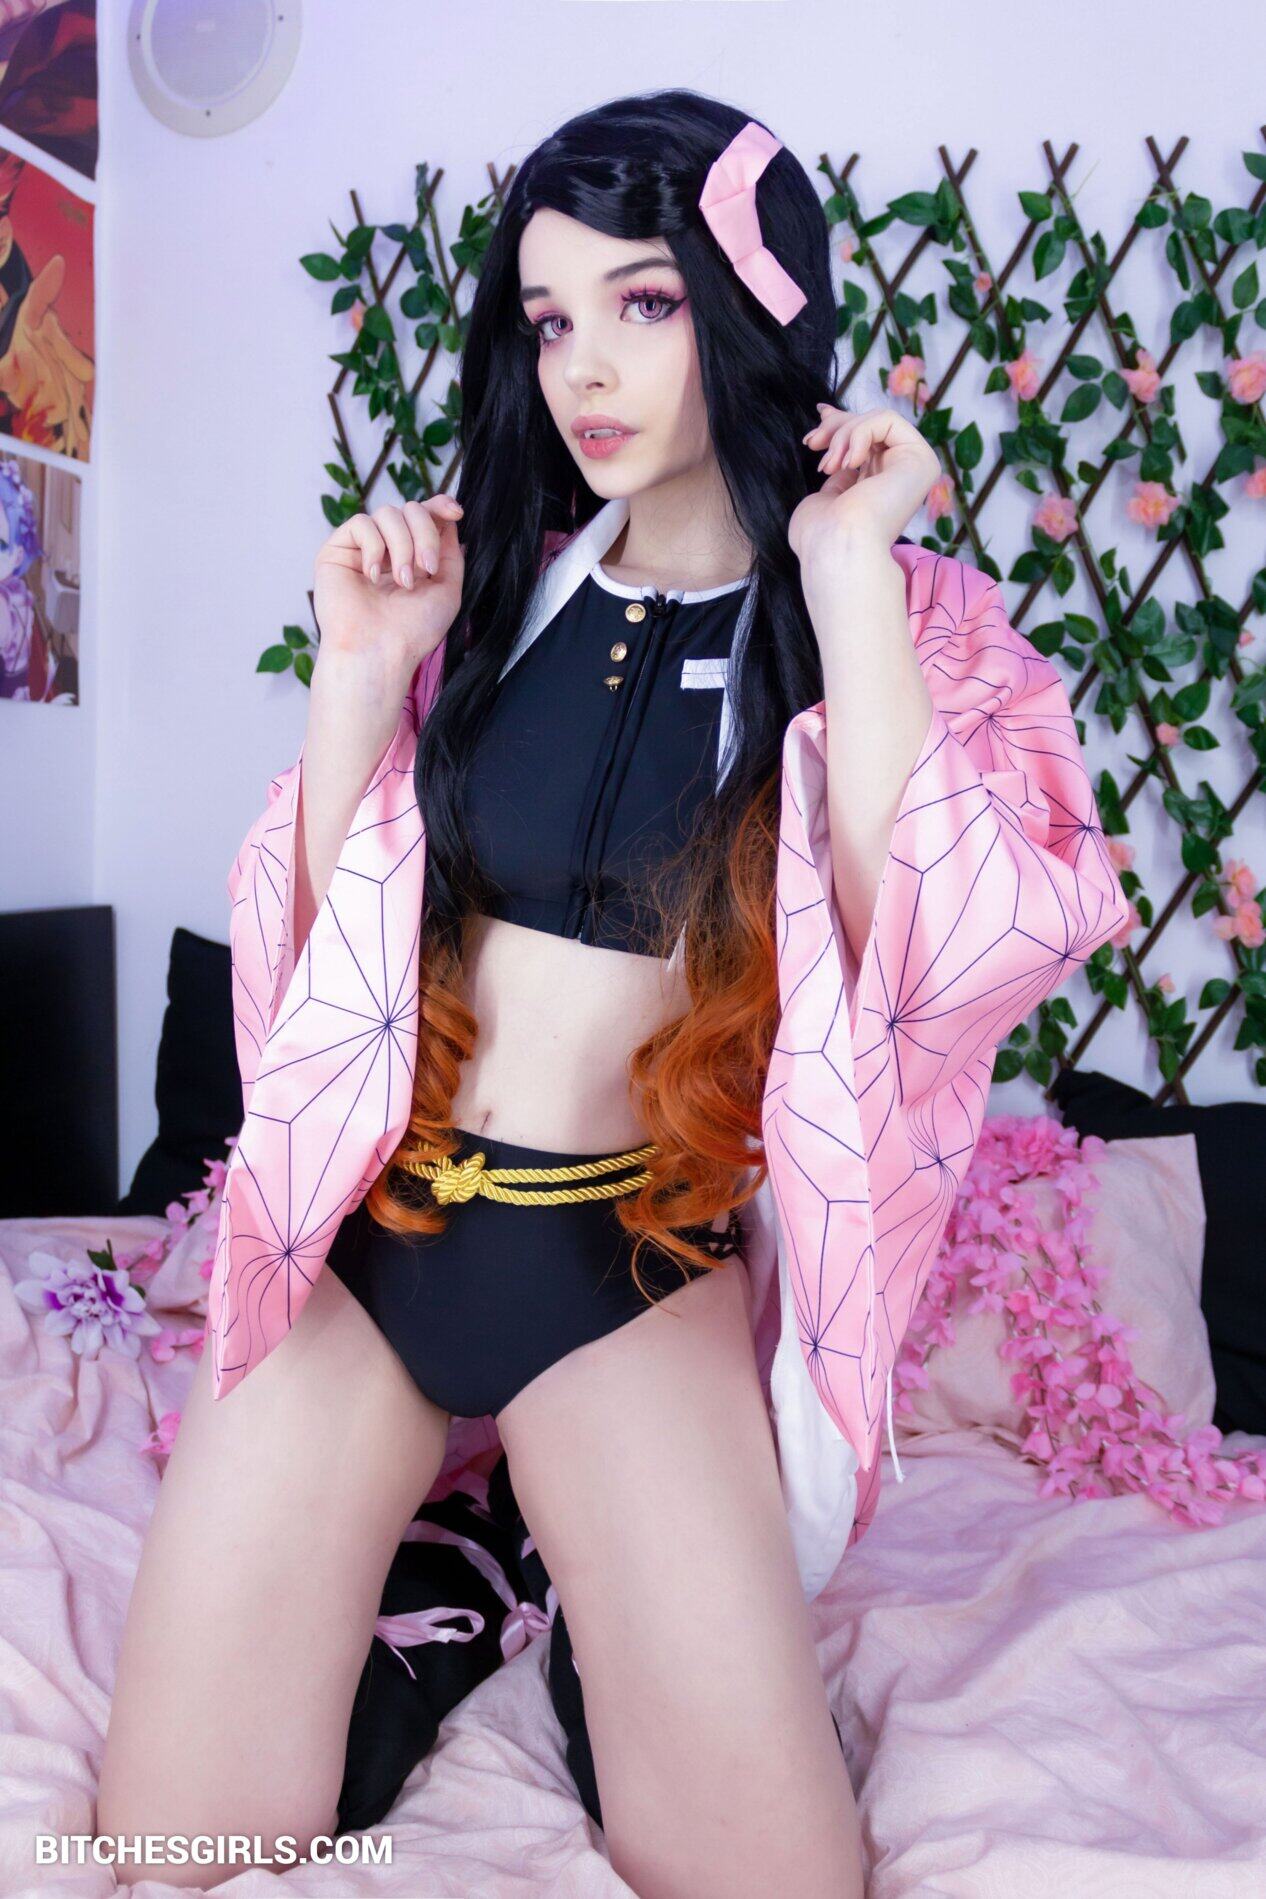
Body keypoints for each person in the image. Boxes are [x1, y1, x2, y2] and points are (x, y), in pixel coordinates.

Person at [97, 88, 1129, 1896]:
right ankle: (456, 1584)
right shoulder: (493, 596)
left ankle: (566, 1616)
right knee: (172, 1841)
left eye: (641, 302)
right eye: (548, 315)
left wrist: (849, 576)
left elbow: (934, 954)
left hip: (626, 1261)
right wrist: (359, 675)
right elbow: (323, 965)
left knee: (766, 1883)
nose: (582, 363)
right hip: (380, 1233)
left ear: (750, 302)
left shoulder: (899, 621)